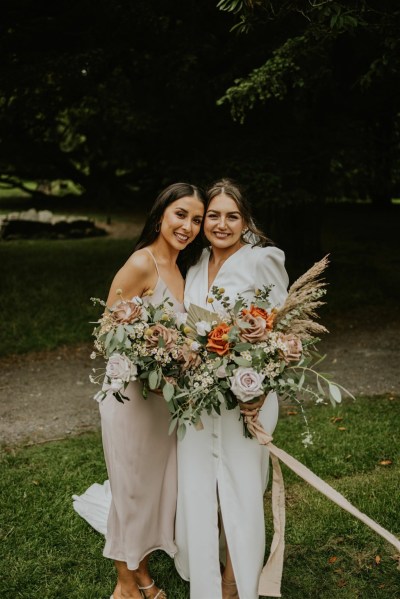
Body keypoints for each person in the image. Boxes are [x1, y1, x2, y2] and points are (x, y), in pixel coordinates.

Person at [75, 183, 205, 599]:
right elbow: (107, 330)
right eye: (181, 214)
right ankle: (126, 585)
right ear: (161, 214)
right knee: (131, 491)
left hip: (162, 403)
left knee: (152, 492)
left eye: (197, 220)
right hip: (131, 399)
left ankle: (142, 574)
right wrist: (153, 351)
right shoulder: (140, 262)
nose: (188, 226)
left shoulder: (182, 267)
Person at [174, 179, 289, 599]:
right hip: (199, 398)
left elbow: (282, 329)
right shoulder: (196, 261)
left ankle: (234, 582)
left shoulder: (262, 260)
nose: (221, 225)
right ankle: (203, 578)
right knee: (200, 489)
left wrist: (258, 387)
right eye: (214, 216)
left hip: (248, 398)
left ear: (246, 220)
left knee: (241, 490)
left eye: (232, 216)